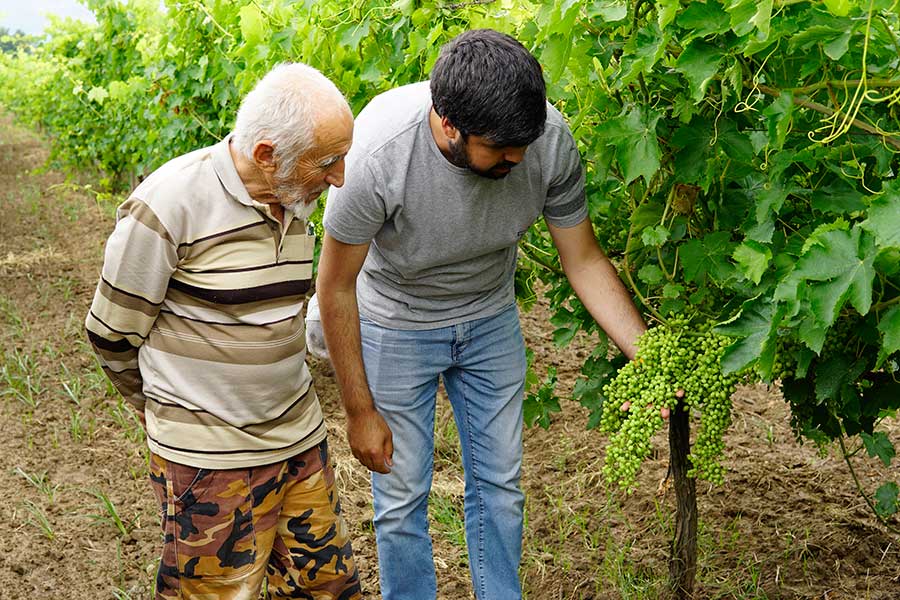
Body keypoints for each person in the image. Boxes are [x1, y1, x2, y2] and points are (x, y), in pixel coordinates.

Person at [315, 29, 652, 600]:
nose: (518, 157)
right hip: (396, 321)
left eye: (525, 141)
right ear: (449, 124)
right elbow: (336, 286)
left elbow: (585, 258)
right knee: (400, 501)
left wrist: (649, 356)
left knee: (500, 488)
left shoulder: (544, 139)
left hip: (488, 317)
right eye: (500, 148)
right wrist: (358, 410)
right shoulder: (377, 152)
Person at [84, 63, 362, 600]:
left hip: (299, 442)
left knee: (326, 590)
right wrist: (173, 410)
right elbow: (111, 334)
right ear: (266, 154)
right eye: (327, 162)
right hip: (209, 463)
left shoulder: (295, 198)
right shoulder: (168, 206)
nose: (340, 177)